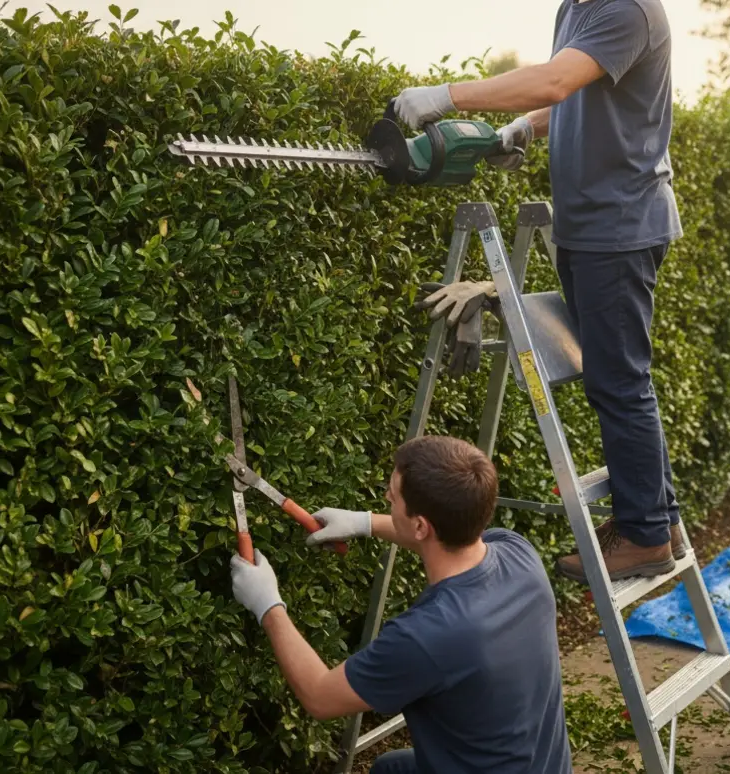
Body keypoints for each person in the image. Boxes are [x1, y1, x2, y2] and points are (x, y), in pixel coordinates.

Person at [398, 0, 685, 584]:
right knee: (617, 376)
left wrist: (447, 96)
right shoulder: (575, 9)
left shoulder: (627, 8)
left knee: (619, 381)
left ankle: (648, 535)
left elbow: (555, 81)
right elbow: (578, 91)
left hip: (620, 226)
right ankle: (660, 520)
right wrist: (522, 127)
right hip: (589, 225)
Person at [228, 435, 572, 774]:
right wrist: (365, 523)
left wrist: (268, 605)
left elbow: (320, 696)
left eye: (391, 499)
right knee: (391, 768)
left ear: (421, 525)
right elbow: (446, 538)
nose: (385, 499)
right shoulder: (518, 553)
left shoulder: (430, 636)